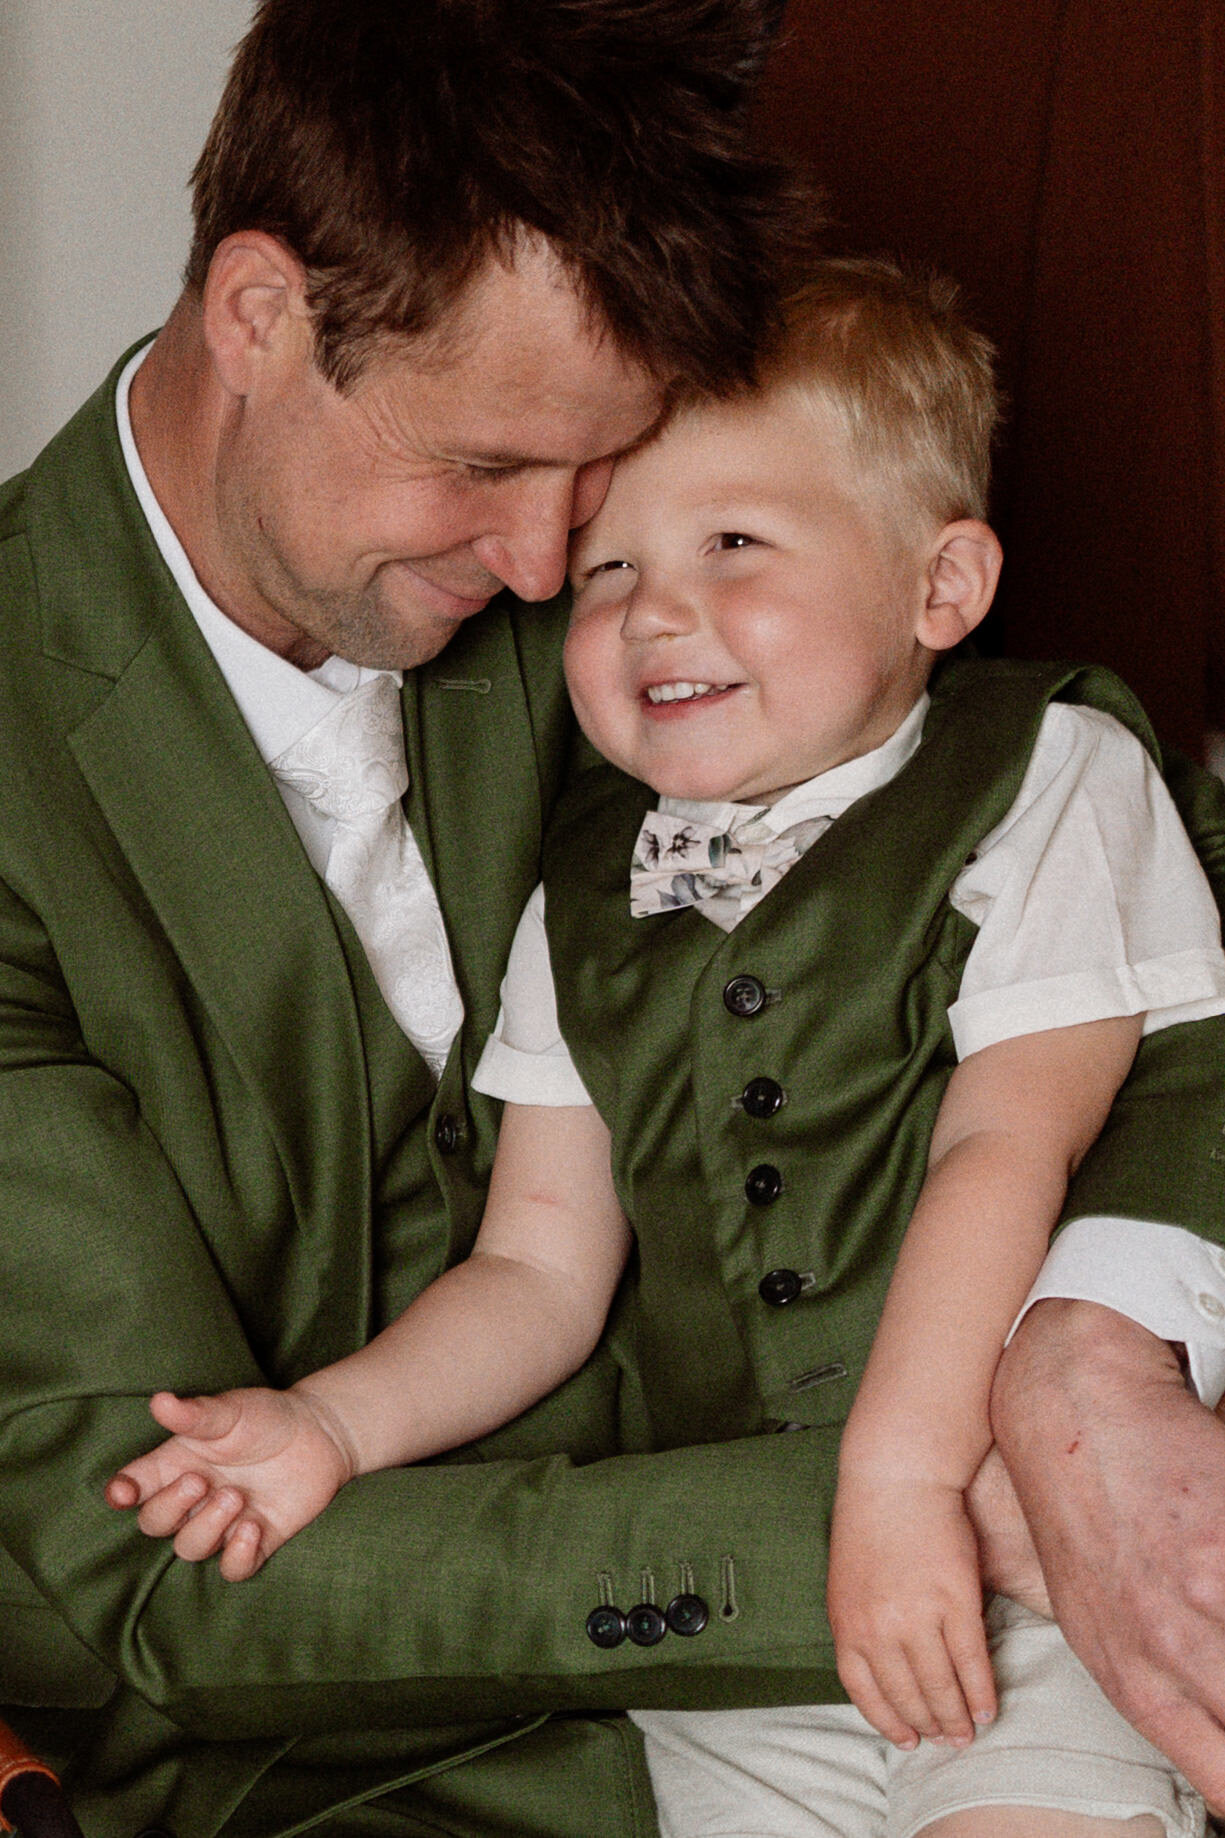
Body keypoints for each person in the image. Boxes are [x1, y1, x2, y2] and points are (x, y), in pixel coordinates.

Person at [3, 0, 1225, 1828]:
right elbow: (150, 1578)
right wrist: (899, 1506)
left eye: (598, 480)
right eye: (488, 468)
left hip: (951, 1653)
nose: (538, 568)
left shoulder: (624, 594)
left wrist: (1095, 1341)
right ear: (260, 314)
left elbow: (1038, 842)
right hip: (355, 1768)